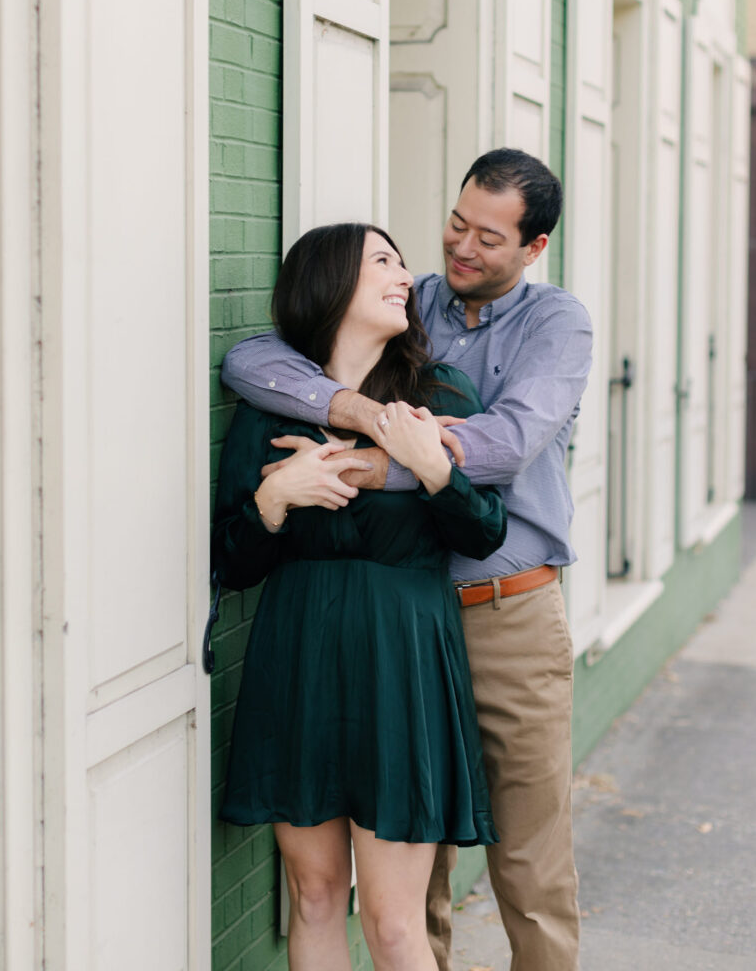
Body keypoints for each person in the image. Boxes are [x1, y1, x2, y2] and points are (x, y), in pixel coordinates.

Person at [222, 148, 593, 971]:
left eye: (488, 238)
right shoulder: (414, 299)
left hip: (501, 609)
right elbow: (251, 362)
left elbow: (503, 447)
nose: (460, 247)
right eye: (457, 224)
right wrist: (356, 412)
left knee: (526, 859)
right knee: (411, 898)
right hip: (388, 618)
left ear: (532, 247)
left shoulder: (554, 323)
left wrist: (367, 465)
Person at [212, 222, 507, 971]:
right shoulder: (271, 406)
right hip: (299, 652)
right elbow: (234, 561)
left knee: (393, 923)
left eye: (402, 263)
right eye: (383, 261)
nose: (406, 276)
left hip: (402, 657)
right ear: (330, 283)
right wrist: (275, 499)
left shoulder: (439, 393)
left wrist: (433, 471)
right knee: (313, 897)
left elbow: (484, 533)